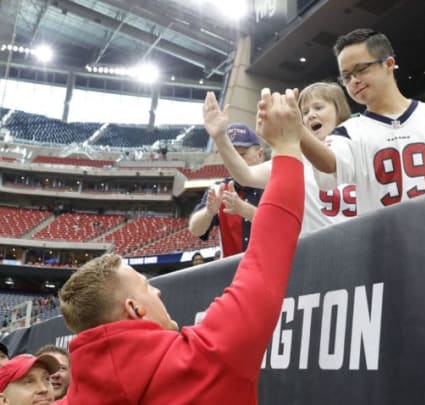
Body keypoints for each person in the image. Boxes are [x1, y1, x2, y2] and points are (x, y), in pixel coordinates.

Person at [55, 88, 305, 404]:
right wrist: (286, 146)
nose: (157, 291)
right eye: (147, 286)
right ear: (134, 309)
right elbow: (269, 251)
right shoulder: (207, 358)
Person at [294, 29, 425, 215]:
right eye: (347, 76)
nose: (354, 81)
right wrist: (297, 130)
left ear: (389, 63)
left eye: (361, 69)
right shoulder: (347, 132)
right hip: (386, 240)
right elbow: (329, 166)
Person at [203, 82, 357, 235]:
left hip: (364, 249)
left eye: (318, 107)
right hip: (315, 254)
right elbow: (245, 175)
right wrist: (220, 137)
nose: (311, 115)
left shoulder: (361, 145)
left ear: (339, 109)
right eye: (304, 112)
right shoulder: (294, 156)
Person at [188, 123, 265, 256]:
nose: (235, 161)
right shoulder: (218, 189)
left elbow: (282, 228)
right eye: (230, 156)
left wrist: (243, 209)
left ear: (260, 155)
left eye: (242, 154)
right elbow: (195, 229)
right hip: (235, 274)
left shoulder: (274, 184)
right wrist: (208, 212)